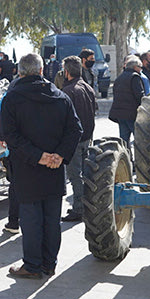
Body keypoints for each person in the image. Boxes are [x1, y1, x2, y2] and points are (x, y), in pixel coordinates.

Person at [0, 53, 82, 279]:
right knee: (51, 219)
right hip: (54, 170)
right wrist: (58, 156)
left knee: (31, 219)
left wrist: (38, 156)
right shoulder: (60, 97)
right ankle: (49, 263)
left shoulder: (12, 98)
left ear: (20, 72)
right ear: (42, 70)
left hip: (27, 169)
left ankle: (33, 266)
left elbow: (9, 136)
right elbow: (75, 130)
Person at [59, 55, 97, 223]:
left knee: (75, 176)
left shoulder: (68, 91)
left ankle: (79, 209)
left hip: (75, 140)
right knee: (84, 175)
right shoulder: (87, 87)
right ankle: (84, 206)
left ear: (66, 72)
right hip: (86, 137)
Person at [109, 55, 145, 149]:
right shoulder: (135, 77)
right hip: (132, 114)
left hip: (120, 114)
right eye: (140, 67)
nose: (141, 70)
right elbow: (140, 96)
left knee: (124, 141)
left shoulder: (119, 78)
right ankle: (138, 161)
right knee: (139, 140)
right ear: (135, 67)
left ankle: (126, 161)